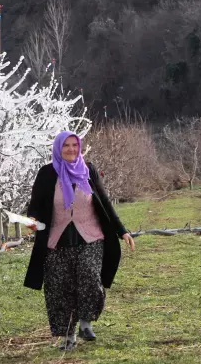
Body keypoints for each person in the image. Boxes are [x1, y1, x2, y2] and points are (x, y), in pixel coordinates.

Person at [24, 130, 135, 351]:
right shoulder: (47, 173)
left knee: (89, 276)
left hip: (91, 236)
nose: (71, 150)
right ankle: (67, 336)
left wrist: (122, 231)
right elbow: (35, 205)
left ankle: (86, 323)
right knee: (59, 287)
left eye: (75, 145)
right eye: (66, 146)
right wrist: (32, 220)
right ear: (58, 148)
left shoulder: (88, 170)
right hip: (57, 239)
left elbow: (104, 202)